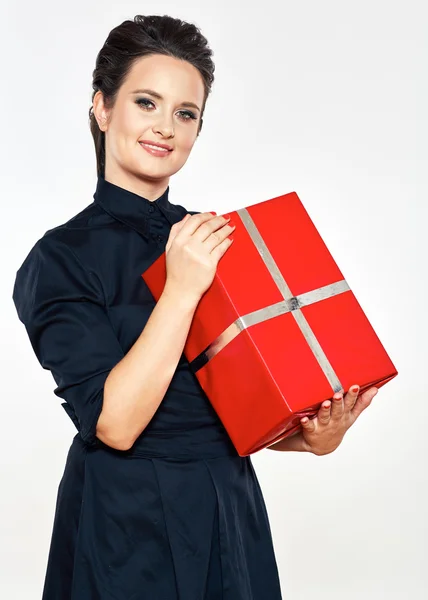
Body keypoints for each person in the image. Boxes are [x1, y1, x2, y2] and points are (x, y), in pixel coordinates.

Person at [12, 14, 378, 600]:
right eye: (146, 103)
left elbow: (230, 405)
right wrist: (181, 290)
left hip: (228, 507)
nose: (166, 127)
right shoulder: (58, 259)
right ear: (103, 109)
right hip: (122, 524)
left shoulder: (213, 237)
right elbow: (115, 423)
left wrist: (307, 436)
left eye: (186, 113)